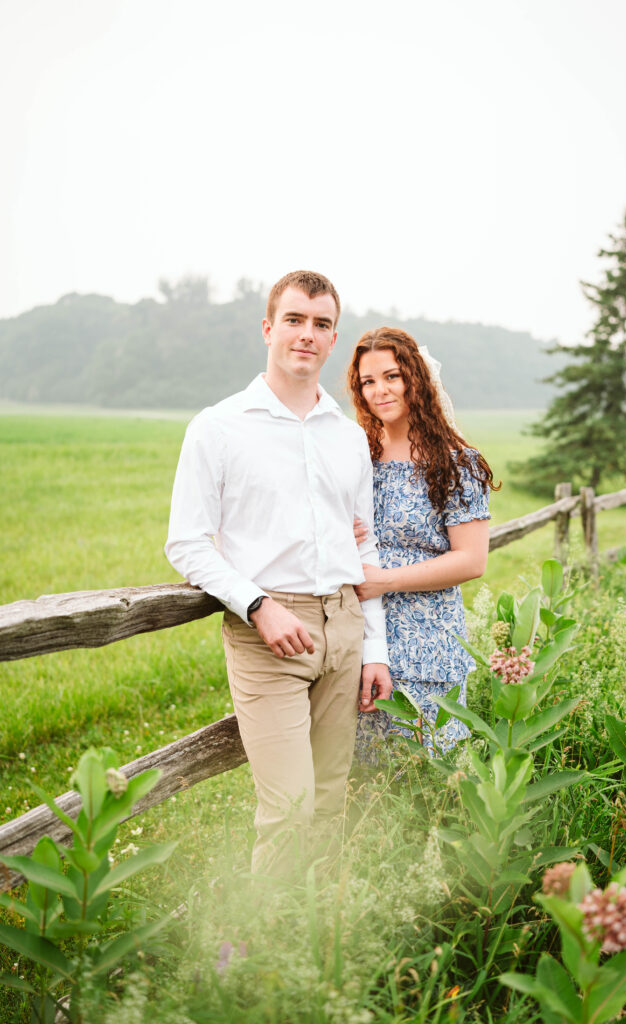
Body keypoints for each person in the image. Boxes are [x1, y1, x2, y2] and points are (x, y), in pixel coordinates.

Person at [165, 271, 392, 874]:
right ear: (268, 327)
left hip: (343, 626)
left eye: (320, 324)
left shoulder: (348, 438)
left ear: (333, 337)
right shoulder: (218, 427)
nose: (306, 335)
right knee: (288, 809)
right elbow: (186, 542)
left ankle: (317, 942)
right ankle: (263, 951)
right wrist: (257, 606)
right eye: (294, 320)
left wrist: (376, 649)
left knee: (327, 803)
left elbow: (363, 555)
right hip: (269, 630)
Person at [347, 327, 496, 759]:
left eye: (392, 376)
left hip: (426, 637)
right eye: (367, 382)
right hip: (362, 633)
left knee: (430, 769)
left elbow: (471, 560)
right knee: (366, 775)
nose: (380, 391)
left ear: (416, 378)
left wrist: (385, 581)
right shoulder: (359, 457)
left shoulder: (455, 464)